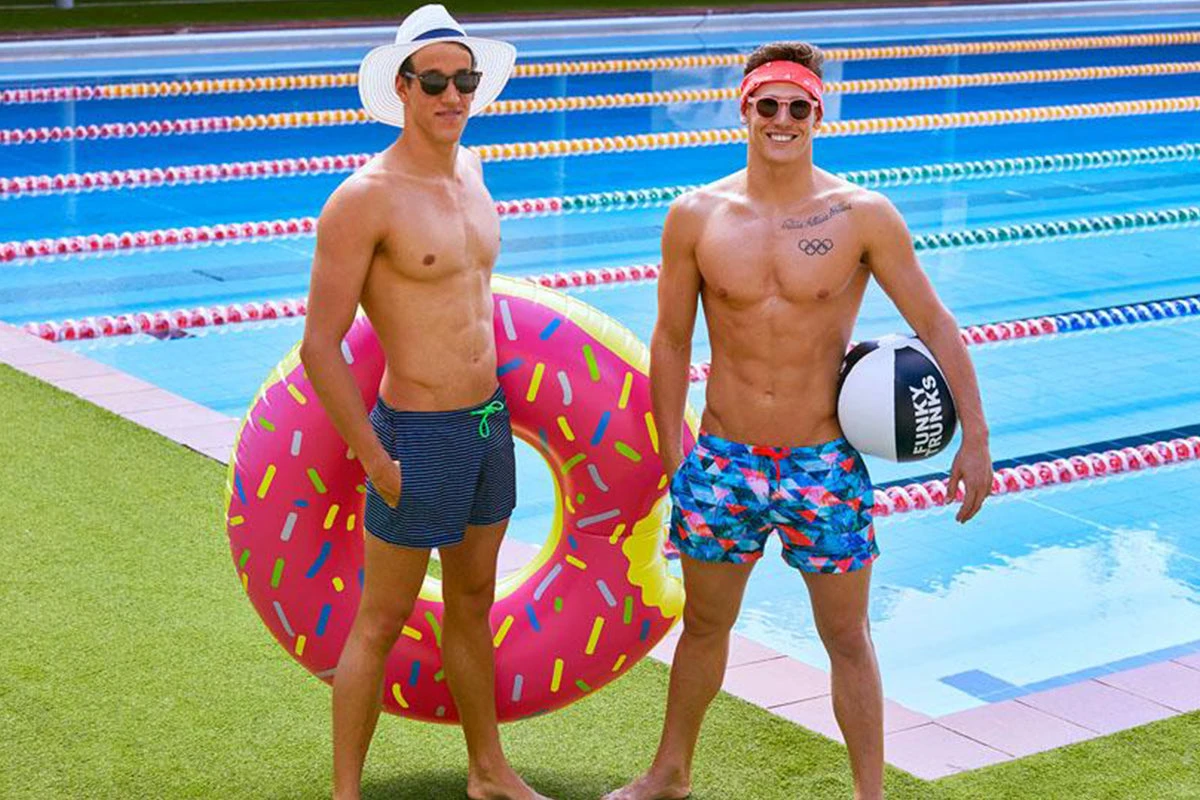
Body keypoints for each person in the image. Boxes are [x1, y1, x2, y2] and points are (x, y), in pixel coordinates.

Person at [608, 42, 993, 800]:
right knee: (706, 626)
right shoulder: (695, 216)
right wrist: (673, 455)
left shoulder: (861, 216)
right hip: (724, 460)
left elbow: (936, 325)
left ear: (819, 115)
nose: (781, 119)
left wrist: (975, 437)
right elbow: (671, 340)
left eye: (798, 107)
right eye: (768, 105)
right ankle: (670, 772)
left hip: (823, 463)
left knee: (847, 637)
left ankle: (870, 795)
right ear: (744, 110)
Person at [298, 6, 547, 800]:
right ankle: (345, 793)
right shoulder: (364, 199)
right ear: (402, 87)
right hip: (416, 435)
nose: (452, 95)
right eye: (434, 81)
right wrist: (377, 460)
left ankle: (488, 771)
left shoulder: (473, 170)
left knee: (472, 602)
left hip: (487, 423)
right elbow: (319, 345)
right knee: (380, 620)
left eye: (463, 80)